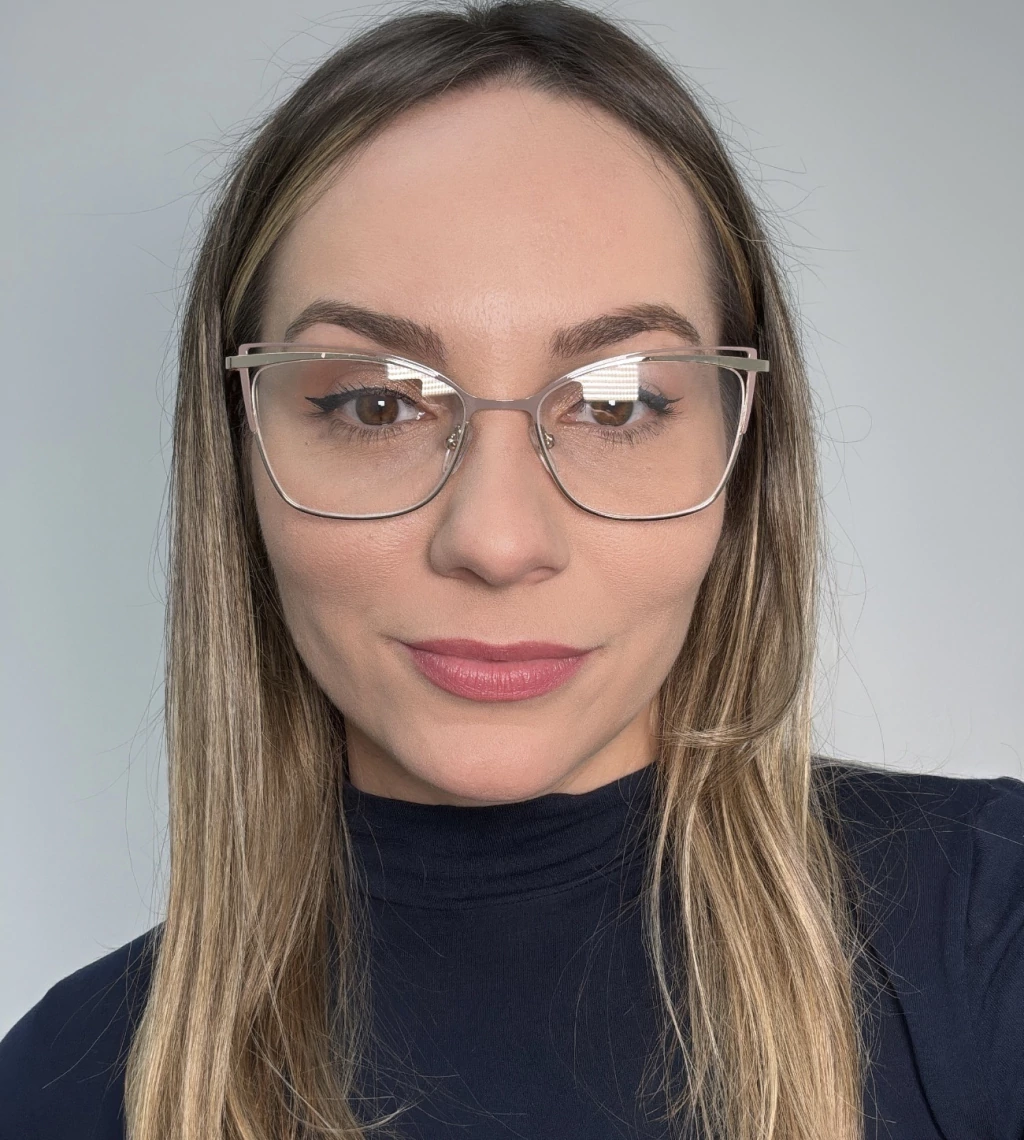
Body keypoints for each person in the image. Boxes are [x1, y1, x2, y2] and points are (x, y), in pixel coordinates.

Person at [2, 2, 1022, 1138]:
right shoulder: (60, 1091)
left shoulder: (992, 933)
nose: (495, 542)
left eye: (617, 403)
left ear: (745, 453)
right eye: (377, 405)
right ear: (237, 451)